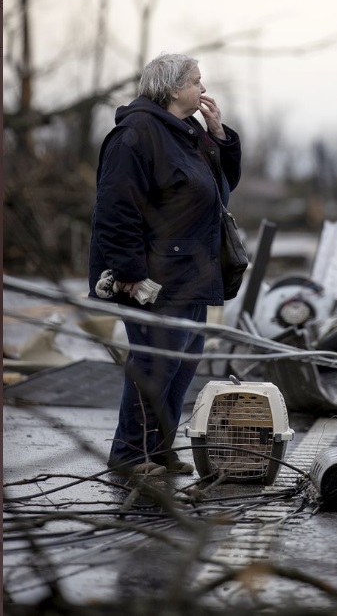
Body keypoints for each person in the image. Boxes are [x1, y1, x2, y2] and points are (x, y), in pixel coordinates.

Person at [88, 52, 242, 478]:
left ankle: (158, 449)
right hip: (154, 278)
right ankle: (130, 455)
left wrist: (220, 136)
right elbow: (116, 210)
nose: (203, 88)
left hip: (192, 273)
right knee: (155, 364)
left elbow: (223, 186)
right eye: (197, 80)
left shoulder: (187, 132)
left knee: (180, 365)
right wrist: (130, 274)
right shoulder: (135, 134)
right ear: (173, 89)